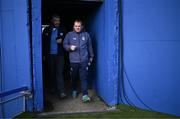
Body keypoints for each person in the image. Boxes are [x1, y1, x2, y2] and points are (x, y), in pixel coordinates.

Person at [63, 20, 94, 102]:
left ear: (82, 26)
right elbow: (64, 44)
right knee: (74, 77)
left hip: (84, 60)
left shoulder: (86, 35)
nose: (77, 27)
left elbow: (89, 46)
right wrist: (69, 47)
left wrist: (91, 56)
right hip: (73, 61)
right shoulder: (69, 34)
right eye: (76, 26)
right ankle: (74, 90)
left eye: (79, 26)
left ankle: (85, 95)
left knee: (83, 78)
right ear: (73, 26)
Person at [42, 14, 66, 99]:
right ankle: (52, 88)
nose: (57, 22)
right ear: (52, 21)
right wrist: (44, 55)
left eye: (58, 20)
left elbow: (67, 42)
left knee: (59, 73)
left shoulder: (62, 29)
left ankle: (61, 91)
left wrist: (62, 41)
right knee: (51, 72)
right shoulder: (46, 30)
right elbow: (43, 43)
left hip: (60, 55)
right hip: (49, 55)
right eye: (55, 20)